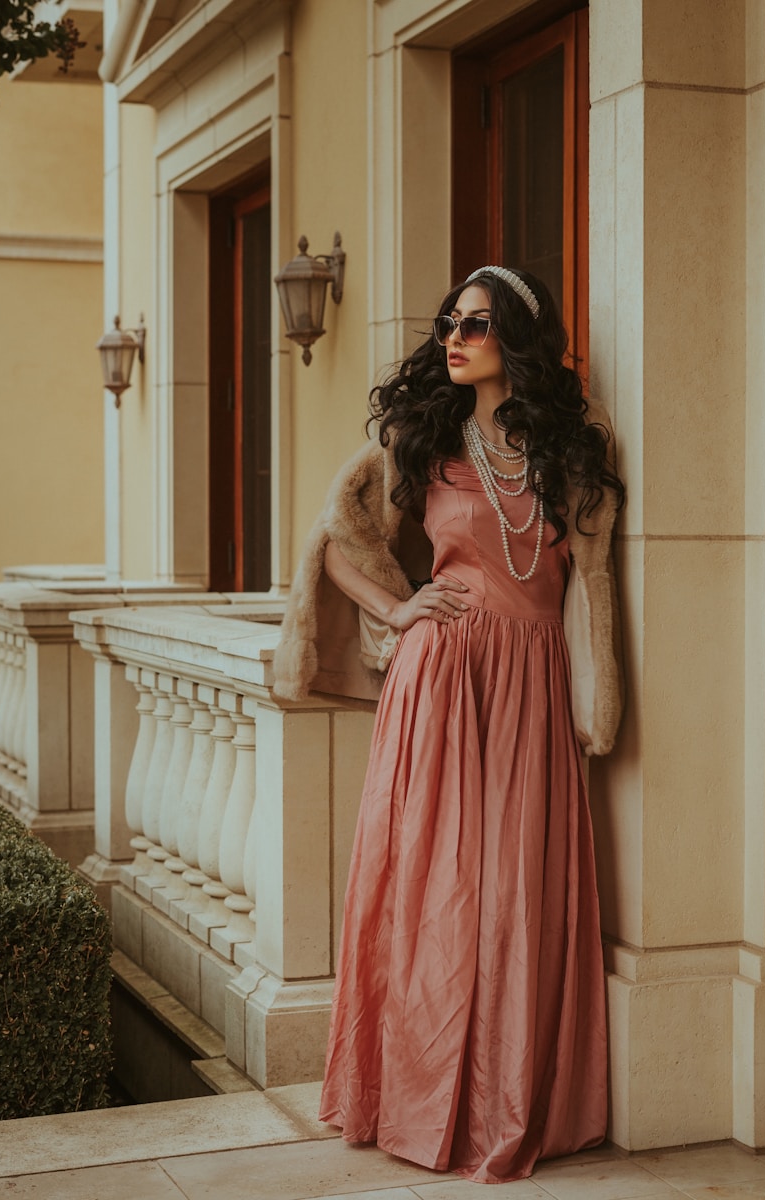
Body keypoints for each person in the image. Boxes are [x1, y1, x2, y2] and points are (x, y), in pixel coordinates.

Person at [272, 265, 625, 1184]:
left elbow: (589, 581)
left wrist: (599, 693)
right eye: (448, 324)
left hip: (534, 682)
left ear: (519, 338)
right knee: (438, 882)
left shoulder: (568, 451)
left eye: (475, 324)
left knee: (514, 889)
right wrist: (399, 611)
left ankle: (505, 1098)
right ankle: (416, 1094)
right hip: (444, 675)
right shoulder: (421, 440)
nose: (454, 340)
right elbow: (335, 539)